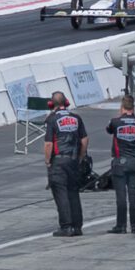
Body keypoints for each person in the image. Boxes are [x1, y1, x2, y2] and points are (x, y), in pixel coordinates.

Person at [44, 91, 88, 238]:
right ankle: (77, 226)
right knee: (73, 193)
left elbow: (49, 144)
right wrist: (80, 157)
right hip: (74, 160)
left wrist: (48, 161)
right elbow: (84, 140)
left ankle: (66, 226)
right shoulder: (76, 117)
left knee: (61, 193)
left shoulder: (52, 119)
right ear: (66, 102)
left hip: (58, 161)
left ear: (52, 104)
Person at [105, 96, 135, 235]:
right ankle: (134, 226)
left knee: (121, 195)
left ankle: (121, 226)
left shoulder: (115, 122)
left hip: (120, 162)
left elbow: (109, 130)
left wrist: (120, 117)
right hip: (134, 161)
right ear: (133, 108)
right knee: (134, 195)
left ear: (121, 108)